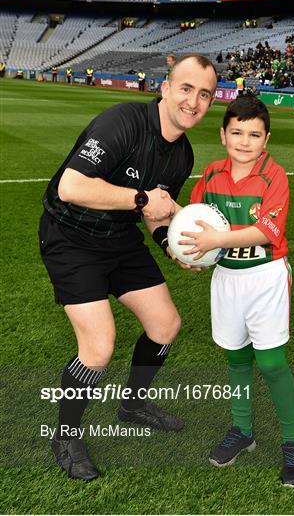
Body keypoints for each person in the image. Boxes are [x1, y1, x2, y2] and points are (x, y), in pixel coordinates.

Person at [39, 54, 217, 481]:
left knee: (166, 325)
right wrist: (140, 199)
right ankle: (65, 434)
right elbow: (71, 186)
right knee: (99, 346)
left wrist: (168, 244)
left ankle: (132, 404)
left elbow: (155, 214)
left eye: (205, 94)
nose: (193, 101)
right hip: (70, 238)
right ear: (166, 88)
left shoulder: (183, 156)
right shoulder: (122, 121)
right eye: (187, 88)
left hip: (118, 238)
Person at [180, 95, 294, 487]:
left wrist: (216, 238)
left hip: (264, 277)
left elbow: (268, 231)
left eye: (254, 134)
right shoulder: (211, 175)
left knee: (270, 362)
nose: (244, 140)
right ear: (223, 135)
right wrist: (189, 253)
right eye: (237, 132)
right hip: (227, 279)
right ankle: (242, 430)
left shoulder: (275, 176)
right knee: (236, 358)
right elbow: (192, 223)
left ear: (266, 138)